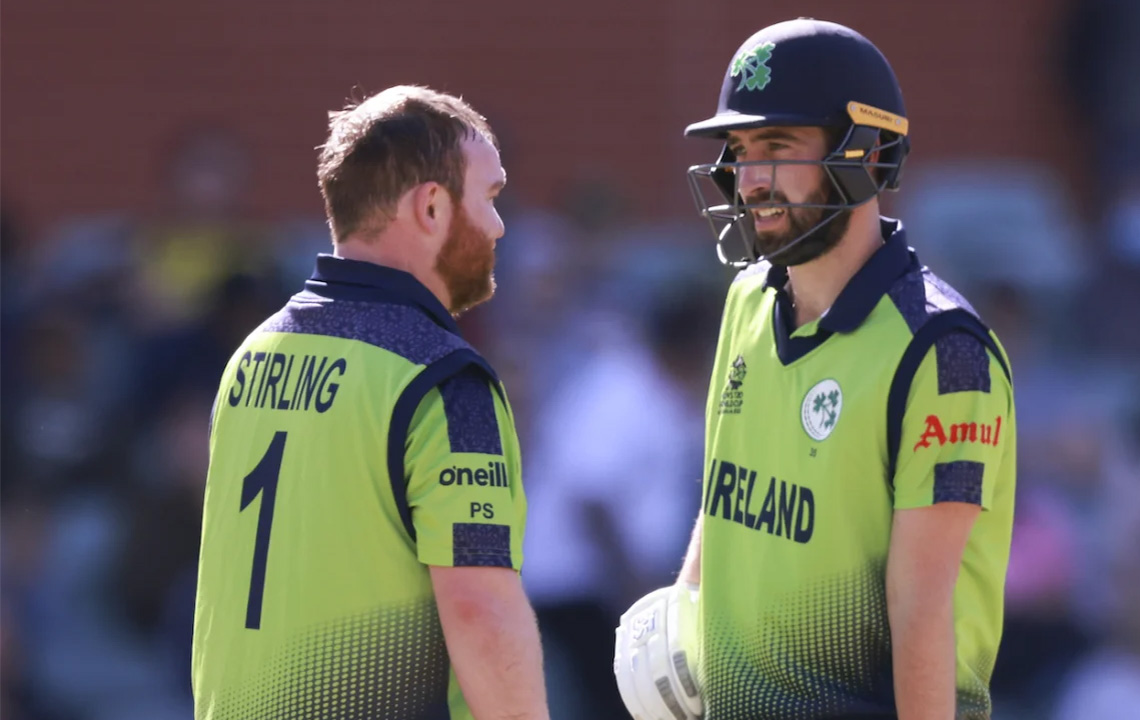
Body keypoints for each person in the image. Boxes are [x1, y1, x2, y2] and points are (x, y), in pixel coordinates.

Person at [614, 19, 1017, 720]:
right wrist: (684, 614)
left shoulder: (944, 350)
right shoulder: (746, 299)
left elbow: (923, 608)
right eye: (739, 152)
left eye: (777, 148)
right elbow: (724, 501)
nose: (750, 179)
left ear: (866, 153)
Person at [192, 85, 549, 720]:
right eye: (491, 197)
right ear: (432, 206)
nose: (500, 225)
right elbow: (480, 611)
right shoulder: (442, 376)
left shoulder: (252, 354)